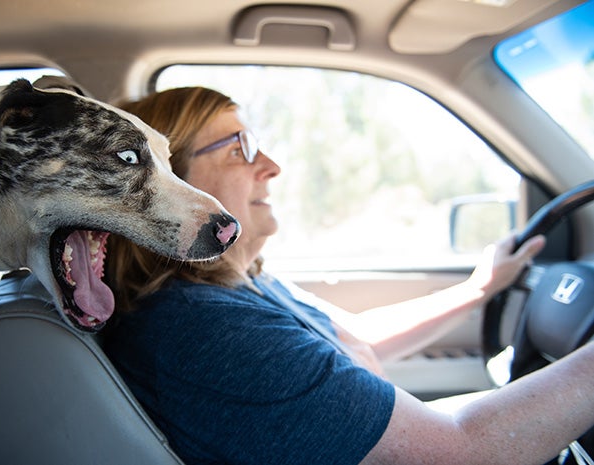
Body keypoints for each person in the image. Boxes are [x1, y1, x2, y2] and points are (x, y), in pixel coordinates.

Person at [101, 86, 593, 464]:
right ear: (171, 182)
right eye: (240, 148)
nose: (271, 166)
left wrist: (479, 289)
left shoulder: (242, 283)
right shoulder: (208, 329)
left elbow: (356, 342)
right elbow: (461, 453)